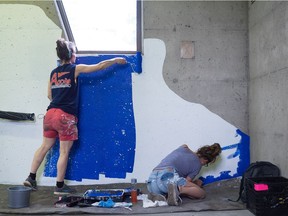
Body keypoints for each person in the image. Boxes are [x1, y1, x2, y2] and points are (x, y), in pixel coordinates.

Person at [23, 38, 127, 195]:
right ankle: (59, 186)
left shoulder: (53, 72)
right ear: (71, 54)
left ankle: (30, 178)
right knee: (64, 152)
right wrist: (114, 60)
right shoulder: (75, 69)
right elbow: (98, 67)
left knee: (45, 146)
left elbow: (49, 95)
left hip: (50, 114)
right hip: (65, 116)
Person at [147, 143, 222, 206]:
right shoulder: (198, 165)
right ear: (205, 160)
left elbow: (184, 146)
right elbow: (185, 182)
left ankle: (159, 195)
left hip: (151, 181)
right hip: (168, 175)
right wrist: (197, 184)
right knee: (201, 193)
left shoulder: (184, 147)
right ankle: (178, 190)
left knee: (169, 186)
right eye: (206, 164)